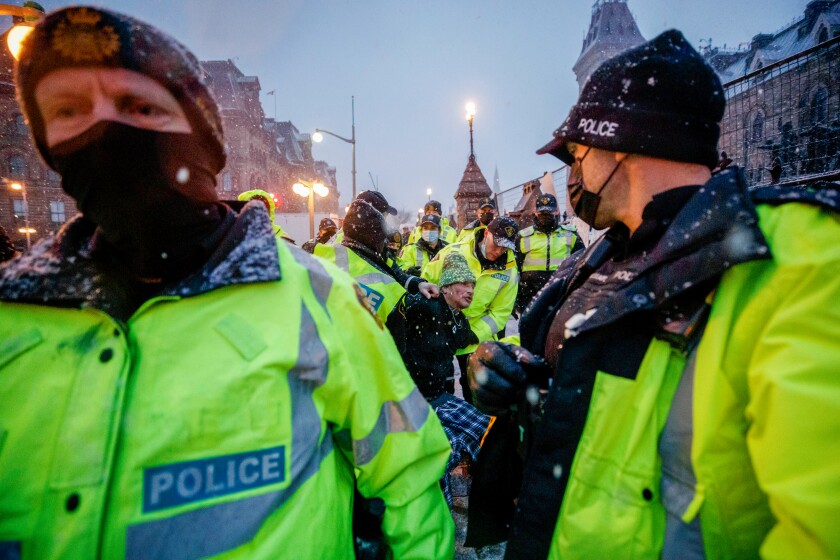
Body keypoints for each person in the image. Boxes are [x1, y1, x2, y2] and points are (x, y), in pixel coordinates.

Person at [0, 7, 454, 559]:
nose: (105, 133)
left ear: (201, 139)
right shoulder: (13, 318)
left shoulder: (313, 296)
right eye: (69, 110)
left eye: (139, 106)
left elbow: (407, 476)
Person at [467, 29, 840, 559]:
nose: (571, 173)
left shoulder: (799, 258)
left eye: (576, 153)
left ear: (619, 144)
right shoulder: (598, 258)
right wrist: (515, 381)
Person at [388, 252, 489, 509]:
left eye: (473, 285)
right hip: (411, 400)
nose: (470, 290)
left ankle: (488, 490)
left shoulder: (459, 321)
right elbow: (393, 319)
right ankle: (437, 508)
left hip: (438, 397)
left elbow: (468, 340)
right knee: (444, 450)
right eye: (464, 284)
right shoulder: (425, 305)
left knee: (488, 427)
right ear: (445, 287)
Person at [423, 216, 519, 402]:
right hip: (441, 330)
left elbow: (500, 313)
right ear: (486, 233)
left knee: (476, 392)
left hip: (474, 337)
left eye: (505, 247)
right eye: (496, 243)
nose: (499, 251)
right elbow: (427, 282)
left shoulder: (509, 272)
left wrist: (472, 334)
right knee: (440, 387)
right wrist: (435, 320)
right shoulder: (452, 252)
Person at [315, 196, 437, 324]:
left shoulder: (365, 240)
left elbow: (391, 269)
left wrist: (416, 283)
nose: (385, 222)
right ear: (370, 215)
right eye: (384, 216)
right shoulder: (354, 241)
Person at [514, 193, 583, 313]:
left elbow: (581, 261)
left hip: (560, 291)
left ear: (556, 211)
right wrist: (516, 296)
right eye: (542, 212)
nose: (545, 215)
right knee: (529, 329)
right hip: (530, 293)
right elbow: (514, 267)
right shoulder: (523, 236)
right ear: (535, 212)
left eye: (549, 212)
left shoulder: (570, 234)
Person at [329, 190, 397, 247]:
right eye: (383, 217)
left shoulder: (345, 238)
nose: (385, 223)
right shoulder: (360, 245)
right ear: (372, 220)